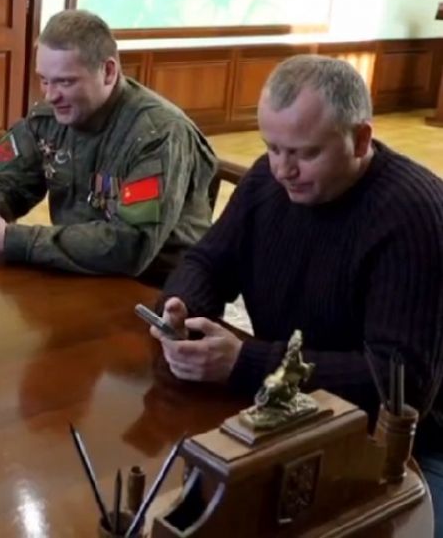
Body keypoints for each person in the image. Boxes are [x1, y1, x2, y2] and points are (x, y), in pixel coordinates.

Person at [150, 54, 443, 530]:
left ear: (361, 139)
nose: (282, 169)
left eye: (304, 154)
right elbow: (206, 261)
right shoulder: (267, 181)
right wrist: (181, 312)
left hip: (412, 448)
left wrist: (246, 364)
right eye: (272, 147)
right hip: (290, 412)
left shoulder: (413, 214)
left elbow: (400, 384)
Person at [0, 9, 217, 284]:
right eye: (44, 80)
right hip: (75, 274)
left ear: (108, 72)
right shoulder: (50, 118)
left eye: (65, 82)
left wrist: (10, 239)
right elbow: (3, 181)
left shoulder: (158, 135)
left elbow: (130, 245)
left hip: (154, 291)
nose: (50, 96)